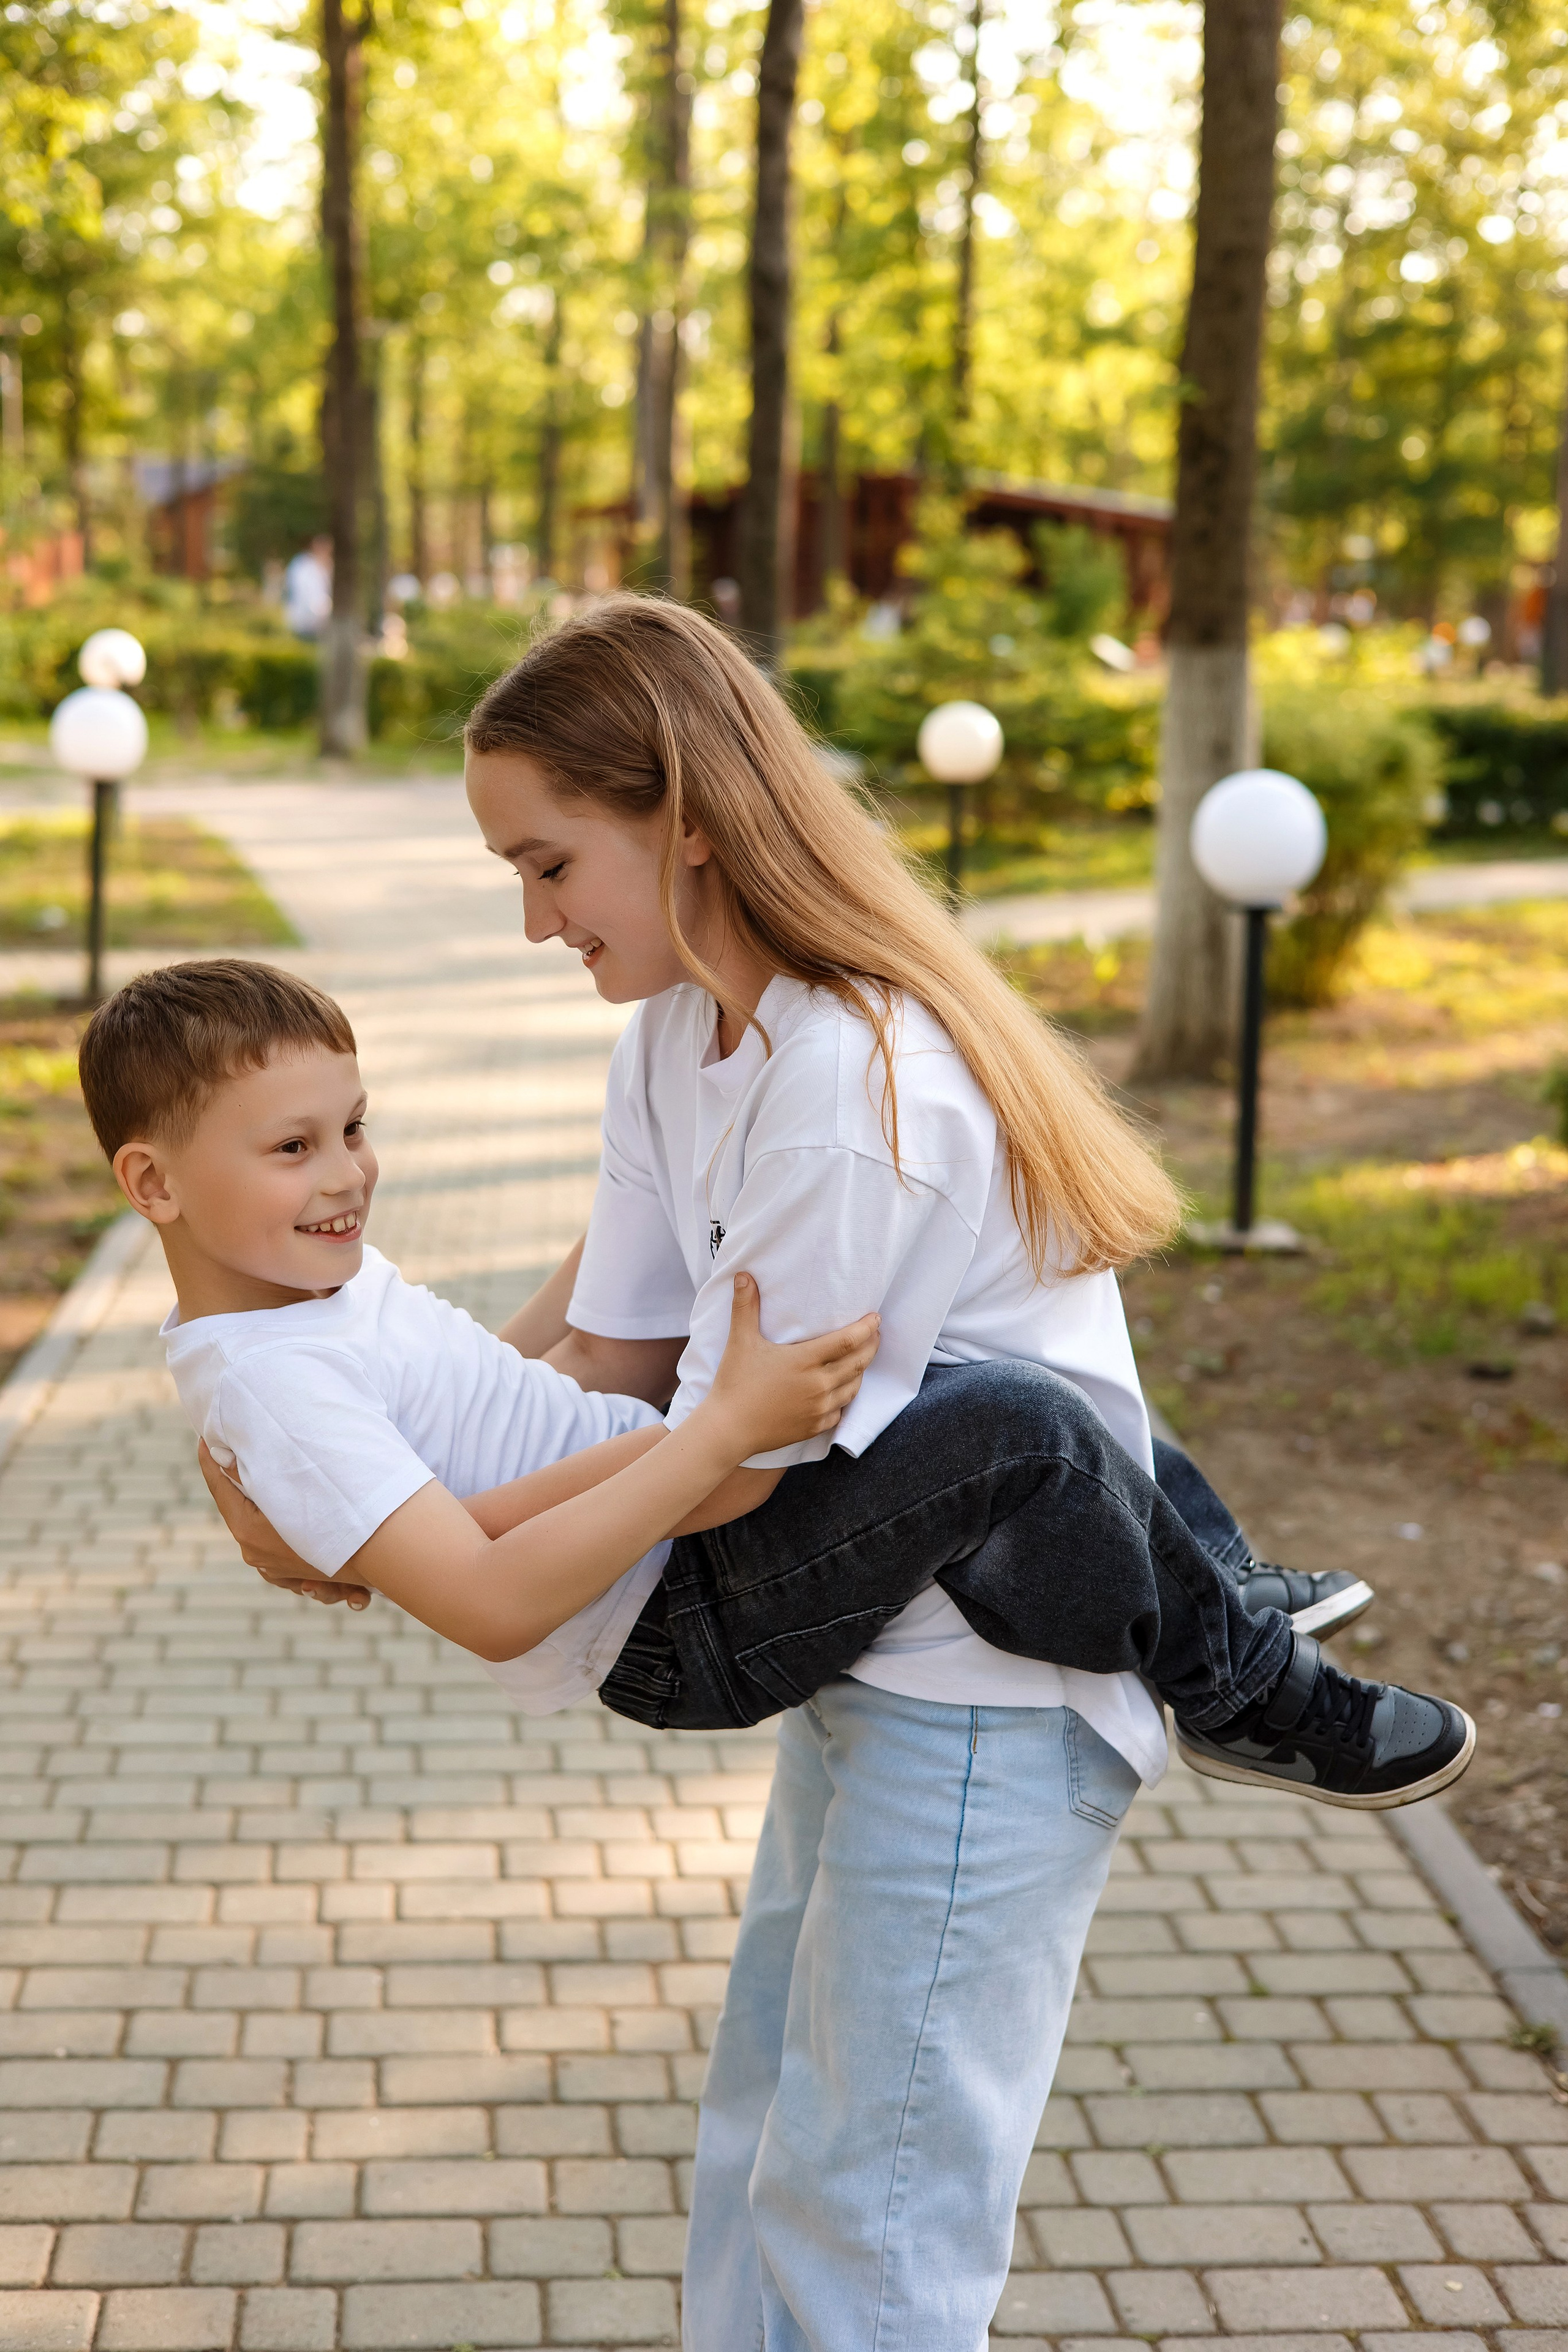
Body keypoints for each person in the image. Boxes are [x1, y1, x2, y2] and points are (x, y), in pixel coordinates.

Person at [445, 597, 1471, 2350]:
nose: (532, 920)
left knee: (873, 2226)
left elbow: (725, 1477)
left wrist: (434, 1539)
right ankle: (1239, 1634)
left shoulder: (854, 1089)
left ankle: (1238, 1664)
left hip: (993, 1697)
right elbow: (609, 1356)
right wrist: (393, 1446)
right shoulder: (681, 1042)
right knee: (766, 2155)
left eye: (550, 866)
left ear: (685, 819)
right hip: (868, 1667)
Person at [77, 960, 881, 1691]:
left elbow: (468, 1382)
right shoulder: (276, 1381)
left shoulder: (304, 1296)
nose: (349, 1174)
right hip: (674, 1600)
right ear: (153, 1183)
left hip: (666, 1512)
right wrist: (720, 1432)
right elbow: (491, 1606)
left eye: (353, 1129)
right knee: (995, 1429)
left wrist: (652, 1206)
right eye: (294, 1147)